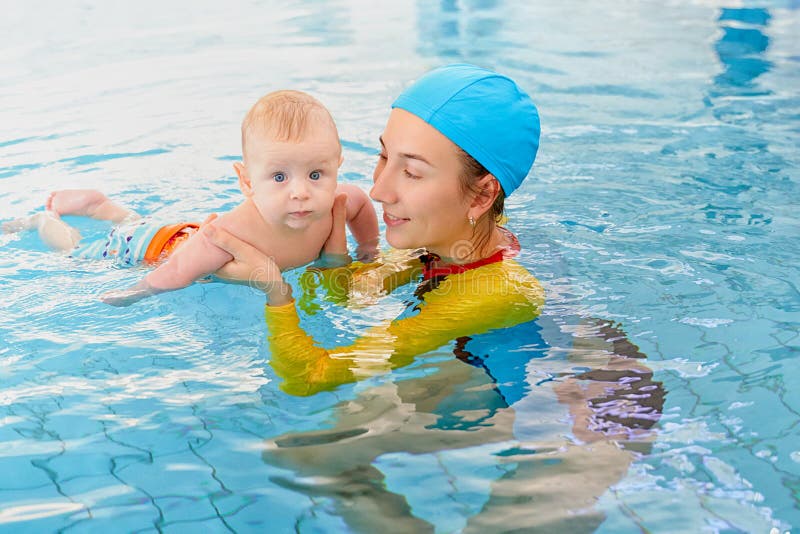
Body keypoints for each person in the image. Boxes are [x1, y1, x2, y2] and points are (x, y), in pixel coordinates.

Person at [204, 65, 663, 530]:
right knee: (309, 455)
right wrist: (324, 245)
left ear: (481, 195)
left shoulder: (495, 286)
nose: (380, 189)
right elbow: (350, 297)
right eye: (383, 159)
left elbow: (311, 376)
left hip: (592, 417)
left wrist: (275, 292)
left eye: (411, 172)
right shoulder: (451, 247)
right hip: (508, 378)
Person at [2, 90, 379, 306]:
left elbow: (360, 204)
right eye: (279, 176)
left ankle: (103, 207)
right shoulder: (235, 230)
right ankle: (45, 220)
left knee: (140, 225)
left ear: (337, 166)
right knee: (76, 253)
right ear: (247, 182)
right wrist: (135, 293)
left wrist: (368, 249)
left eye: (317, 174)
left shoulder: (336, 201)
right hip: (155, 250)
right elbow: (178, 272)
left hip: (183, 233)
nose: (301, 192)